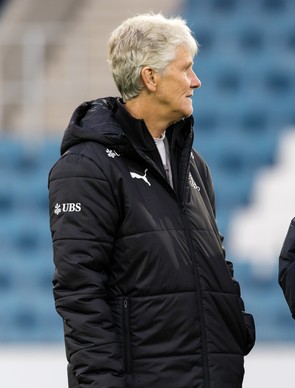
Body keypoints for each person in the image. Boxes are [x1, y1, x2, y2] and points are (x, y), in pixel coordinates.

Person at [48, 13, 255, 388]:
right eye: (186, 69)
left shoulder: (193, 164)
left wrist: (234, 324)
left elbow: (213, 256)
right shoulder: (85, 167)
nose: (196, 81)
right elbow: (79, 292)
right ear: (150, 78)